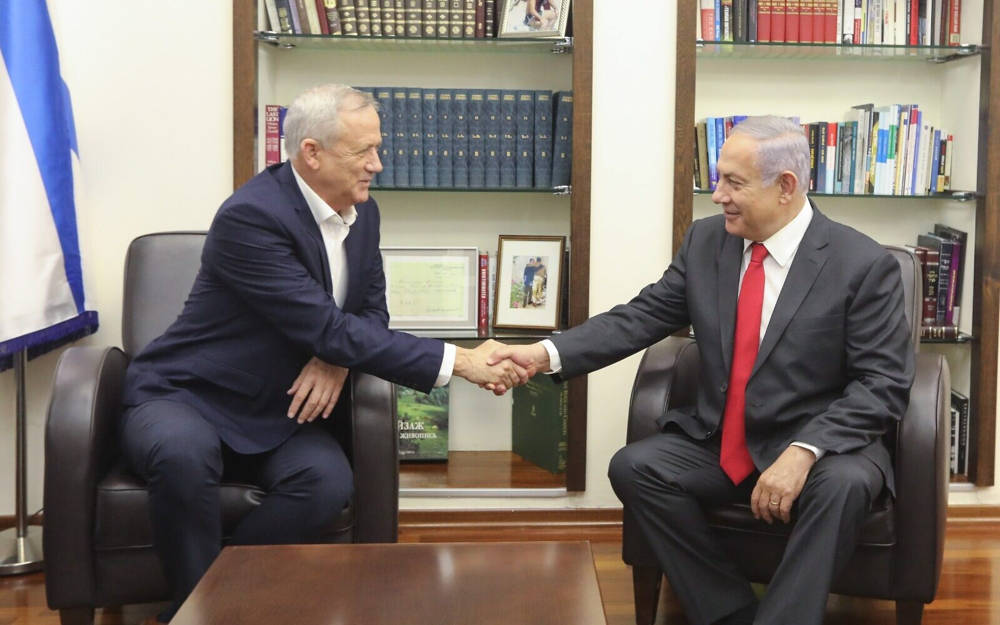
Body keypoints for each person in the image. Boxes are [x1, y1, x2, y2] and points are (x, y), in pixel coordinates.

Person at [120, 84, 527, 623]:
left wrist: (335, 359)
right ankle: (192, 615)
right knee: (182, 456)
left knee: (326, 483)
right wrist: (464, 361)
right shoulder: (252, 217)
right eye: (364, 152)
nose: (377, 165)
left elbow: (369, 316)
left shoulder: (364, 215)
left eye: (378, 149)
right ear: (311, 153)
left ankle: (218, 598)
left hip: (280, 407)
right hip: (188, 396)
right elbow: (328, 325)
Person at [489, 116, 914, 625]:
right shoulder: (707, 241)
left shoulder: (861, 264)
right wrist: (545, 354)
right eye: (718, 179)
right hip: (724, 441)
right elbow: (641, 316)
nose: (717, 196)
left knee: (843, 485)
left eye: (733, 183)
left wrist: (803, 451)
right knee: (635, 466)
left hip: (823, 445)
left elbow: (882, 383)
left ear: (785, 187)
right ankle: (729, 611)